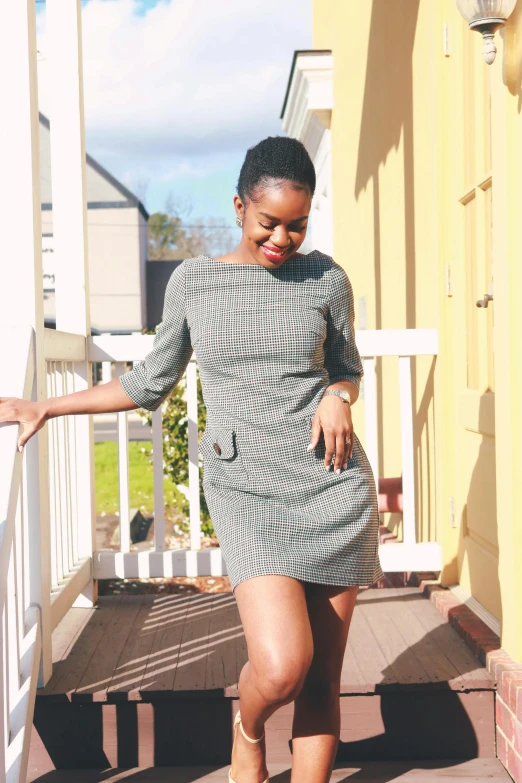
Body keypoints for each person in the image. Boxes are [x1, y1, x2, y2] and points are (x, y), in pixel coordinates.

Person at [0, 136, 384, 783]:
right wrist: (48, 407)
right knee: (283, 664)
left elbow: (345, 370)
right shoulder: (195, 282)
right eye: (269, 223)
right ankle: (249, 726)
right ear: (239, 206)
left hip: (332, 488)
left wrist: (339, 395)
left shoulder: (326, 280)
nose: (283, 239)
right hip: (249, 493)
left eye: (297, 224)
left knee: (321, 678)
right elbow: (148, 381)